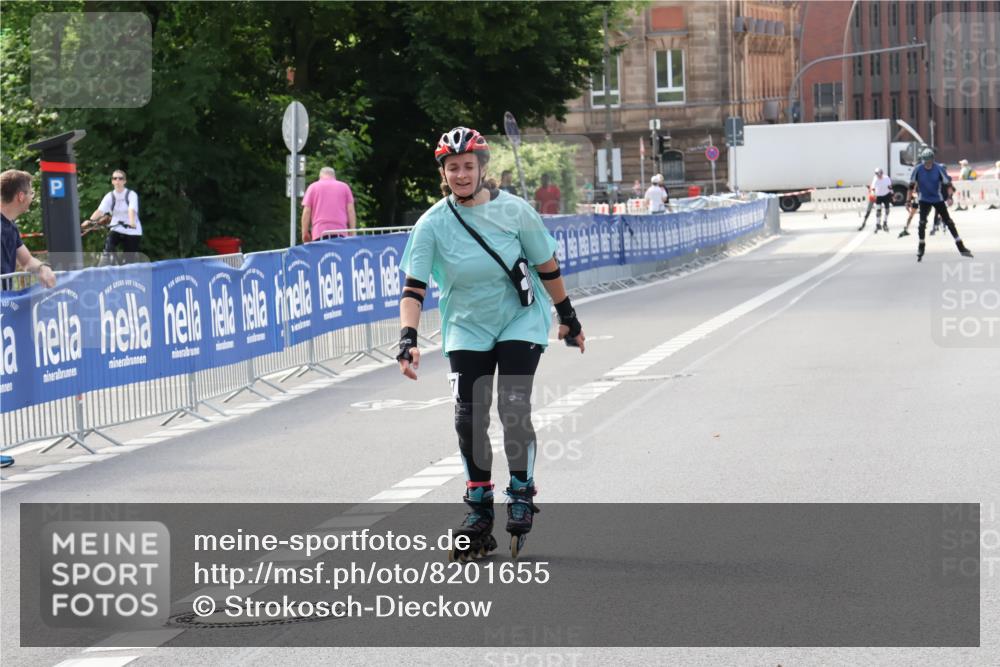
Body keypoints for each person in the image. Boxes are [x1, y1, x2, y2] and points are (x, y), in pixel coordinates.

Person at [396, 127, 585, 560]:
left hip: (520, 319)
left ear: (483, 168)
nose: (461, 174)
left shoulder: (515, 211)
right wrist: (407, 338)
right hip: (466, 326)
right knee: (469, 417)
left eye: (468, 166)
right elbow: (413, 289)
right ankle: (479, 507)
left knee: (512, 407)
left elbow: (547, 266)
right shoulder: (431, 224)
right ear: (443, 173)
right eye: (453, 168)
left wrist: (568, 318)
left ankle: (521, 491)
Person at [2, 169, 58, 469]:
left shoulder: (9, 227)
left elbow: (26, 260)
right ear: (20, 196)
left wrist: (42, 268)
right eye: (32, 193)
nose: (33, 198)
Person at [910, 147, 972, 262]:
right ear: (923, 160)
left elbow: (948, 184)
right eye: (926, 162)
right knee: (922, 223)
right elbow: (911, 185)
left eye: (929, 162)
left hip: (937, 199)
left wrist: (949, 197)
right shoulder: (918, 169)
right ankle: (921, 247)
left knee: (949, 222)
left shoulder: (939, 168)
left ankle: (961, 247)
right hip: (924, 199)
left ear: (933, 160)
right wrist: (908, 201)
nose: (928, 164)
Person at [85, 169, 142, 265]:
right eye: (115, 178)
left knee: (128, 260)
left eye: (120, 178)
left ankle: (127, 269)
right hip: (116, 227)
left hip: (132, 230)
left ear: (125, 181)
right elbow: (100, 211)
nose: (117, 181)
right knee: (107, 250)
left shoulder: (131, 195)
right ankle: (103, 269)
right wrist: (90, 221)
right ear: (112, 181)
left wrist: (132, 222)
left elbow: (131, 210)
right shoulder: (110, 196)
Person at [300, 166, 356, 242]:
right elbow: (351, 211)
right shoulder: (345, 187)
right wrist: (352, 232)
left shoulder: (313, 187)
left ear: (320, 176)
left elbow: (307, 211)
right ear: (334, 176)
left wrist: (305, 234)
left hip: (319, 232)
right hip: (340, 232)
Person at [857, 168, 893, 233]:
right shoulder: (875, 179)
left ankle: (883, 223)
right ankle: (865, 224)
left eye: (880, 174)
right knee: (869, 211)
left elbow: (889, 187)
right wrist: (873, 194)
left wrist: (892, 194)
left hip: (884, 196)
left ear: (882, 173)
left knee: (886, 210)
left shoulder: (886, 178)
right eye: (877, 175)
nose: (879, 176)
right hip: (875, 196)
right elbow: (873, 189)